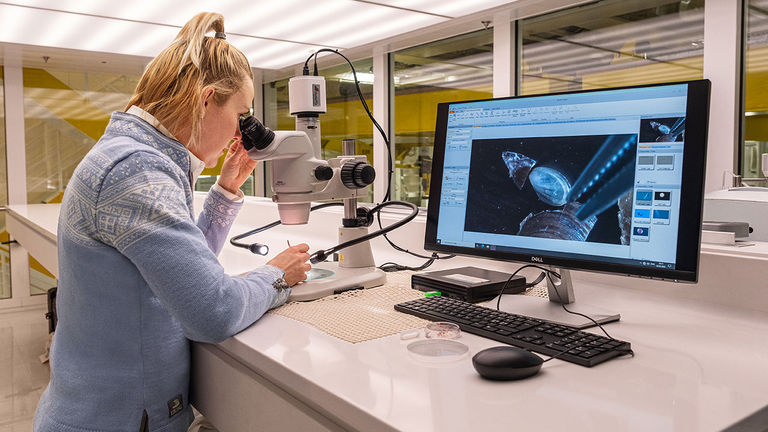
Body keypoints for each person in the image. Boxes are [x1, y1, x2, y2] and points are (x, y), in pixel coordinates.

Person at [33, 12, 311, 432]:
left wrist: (226, 190)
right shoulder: (137, 170)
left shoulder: (138, 156)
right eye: (241, 115)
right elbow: (212, 310)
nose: (241, 135)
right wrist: (275, 276)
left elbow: (180, 269)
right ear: (205, 100)